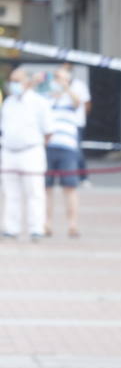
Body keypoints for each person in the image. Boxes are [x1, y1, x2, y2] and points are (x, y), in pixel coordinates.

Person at [2, 67, 53, 240]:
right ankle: (11, 228)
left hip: (31, 152)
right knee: (10, 193)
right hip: (9, 152)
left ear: (27, 81)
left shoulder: (39, 102)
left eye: (17, 81)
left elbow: (48, 132)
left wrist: (36, 148)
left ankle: (36, 228)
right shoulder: (8, 102)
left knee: (35, 193)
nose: (13, 85)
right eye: (12, 81)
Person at [43, 64, 87, 238]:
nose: (58, 81)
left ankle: (72, 224)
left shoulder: (71, 97)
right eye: (56, 78)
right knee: (46, 188)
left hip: (67, 147)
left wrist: (66, 87)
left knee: (70, 187)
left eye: (61, 78)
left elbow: (78, 102)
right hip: (48, 146)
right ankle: (46, 223)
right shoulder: (46, 98)